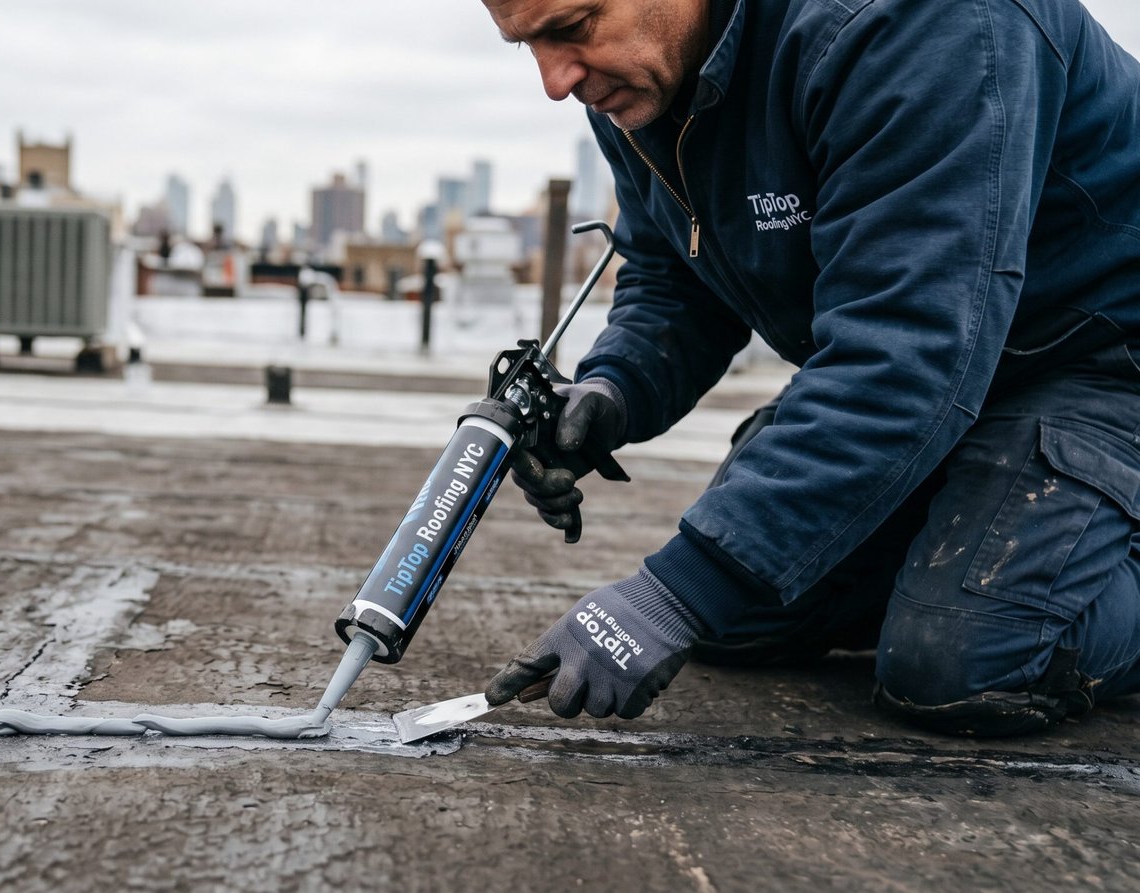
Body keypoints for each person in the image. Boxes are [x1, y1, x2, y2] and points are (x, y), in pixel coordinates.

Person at [480, 0, 1140, 735]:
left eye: (571, 28)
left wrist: (674, 591)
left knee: (962, 658)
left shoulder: (920, 24)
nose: (554, 79)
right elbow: (675, 278)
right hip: (963, 373)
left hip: (1104, 361)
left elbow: (903, 349)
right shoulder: (643, 76)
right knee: (742, 614)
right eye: (526, 45)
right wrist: (612, 390)